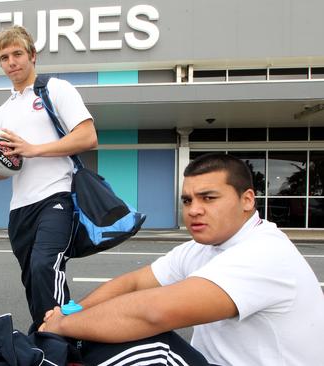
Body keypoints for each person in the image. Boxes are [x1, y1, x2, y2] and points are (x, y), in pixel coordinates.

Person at [39, 153, 324, 365]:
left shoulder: (264, 253)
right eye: (187, 200)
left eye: (208, 198)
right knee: (95, 334)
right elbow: (134, 283)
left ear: (247, 200)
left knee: (148, 343)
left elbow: (153, 312)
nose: (194, 210)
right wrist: (70, 312)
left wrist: (62, 325)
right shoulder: (203, 246)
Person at [0, 25, 97, 333]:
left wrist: (33, 149)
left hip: (56, 196)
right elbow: (13, 164)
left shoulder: (56, 89)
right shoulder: (0, 114)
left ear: (33, 56)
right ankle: (43, 334)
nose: (11, 62)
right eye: (4, 57)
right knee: (32, 276)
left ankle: (65, 337)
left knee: (46, 264)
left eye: (17, 54)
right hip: (20, 207)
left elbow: (88, 137)